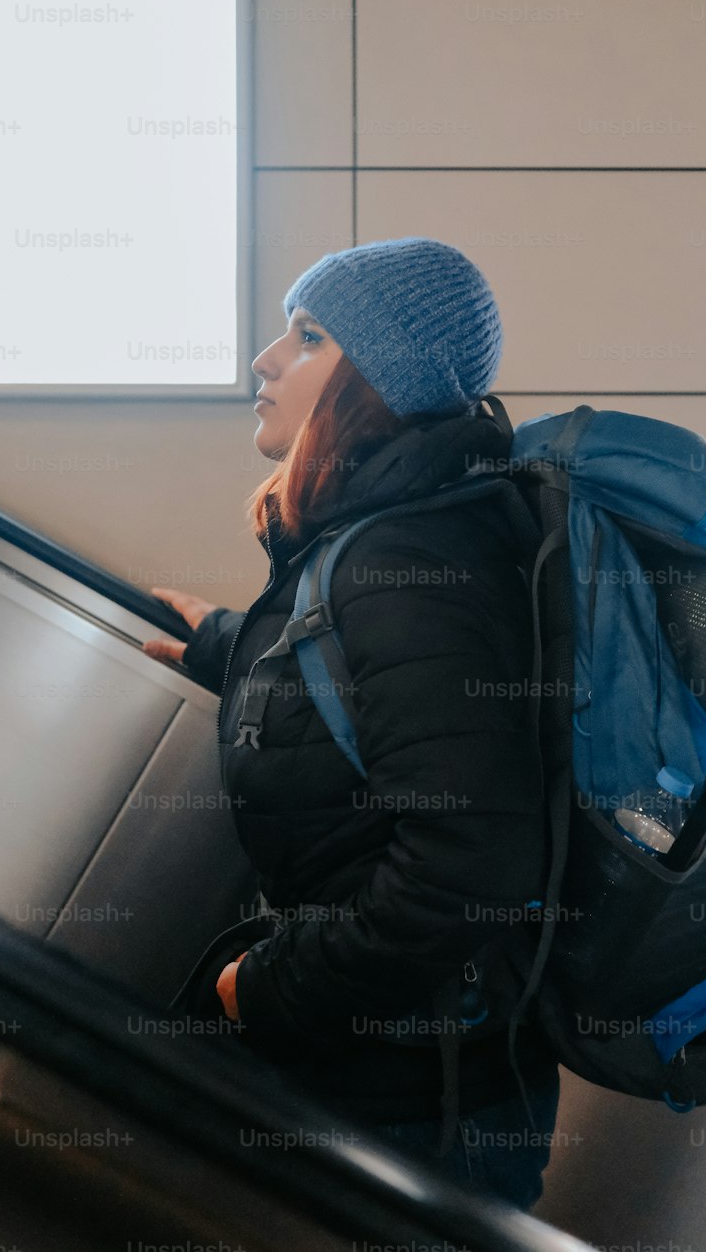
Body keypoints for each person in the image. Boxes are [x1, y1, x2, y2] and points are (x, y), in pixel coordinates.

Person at [142, 237, 561, 1213]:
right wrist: (231, 644)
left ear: (377, 378)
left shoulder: (404, 561)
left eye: (309, 335)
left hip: (421, 1107)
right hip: (399, 1085)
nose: (265, 360)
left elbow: (472, 859)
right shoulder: (387, 540)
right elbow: (369, 699)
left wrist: (274, 988)